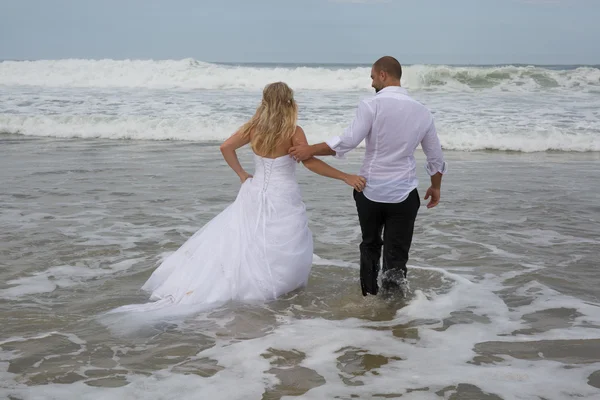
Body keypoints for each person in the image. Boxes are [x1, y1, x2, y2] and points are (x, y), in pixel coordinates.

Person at [109, 82, 365, 312]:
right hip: (283, 195)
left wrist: (242, 174)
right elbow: (309, 162)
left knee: (249, 241)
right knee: (281, 242)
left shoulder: (253, 129)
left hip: (253, 192)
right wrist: (345, 177)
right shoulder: (293, 131)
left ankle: (244, 286)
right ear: (289, 103)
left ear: (264, 102)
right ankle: (275, 289)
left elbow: (225, 147)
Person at [289, 56, 447, 297]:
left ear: (383, 75)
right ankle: (393, 308)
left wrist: (310, 149)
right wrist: (435, 187)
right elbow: (435, 157)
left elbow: (348, 141)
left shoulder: (371, 105)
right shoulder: (422, 112)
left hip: (369, 190)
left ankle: (369, 299)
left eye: (373, 77)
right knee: (397, 253)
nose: (372, 83)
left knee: (370, 245)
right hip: (404, 194)